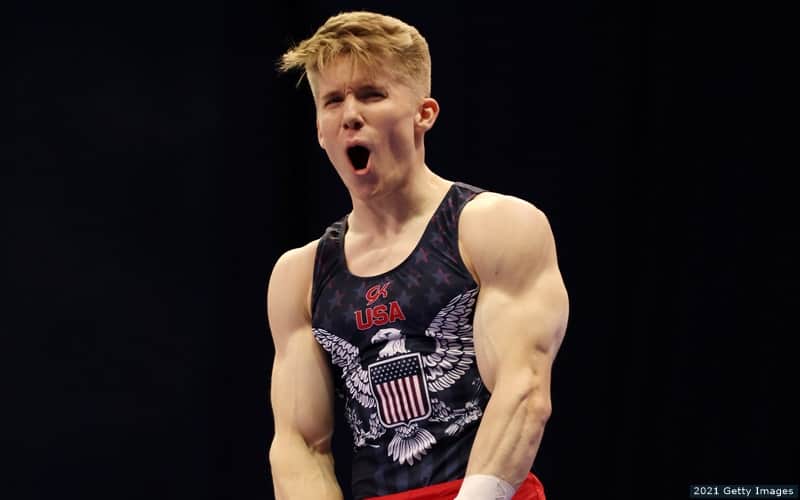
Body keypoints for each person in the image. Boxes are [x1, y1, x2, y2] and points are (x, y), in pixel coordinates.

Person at [267, 11, 568, 500]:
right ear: (320, 130)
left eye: (371, 94)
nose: (350, 115)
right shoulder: (300, 275)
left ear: (423, 114)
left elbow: (524, 391)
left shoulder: (492, 228)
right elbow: (299, 444)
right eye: (333, 101)